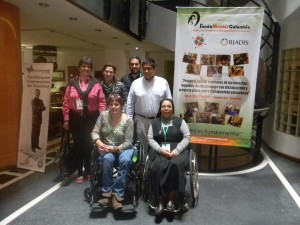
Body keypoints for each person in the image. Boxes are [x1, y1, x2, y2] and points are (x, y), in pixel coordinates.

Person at [62, 57, 106, 184]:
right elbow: (65, 103)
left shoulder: (96, 84)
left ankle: (88, 170)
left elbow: (102, 103)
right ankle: (79, 172)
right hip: (76, 118)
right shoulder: (71, 83)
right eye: (84, 66)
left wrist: (102, 120)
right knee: (78, 146)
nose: (86, 68)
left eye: (88, 66)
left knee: (88, 145)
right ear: (79, 67)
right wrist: (66, 120)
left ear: (91, 69)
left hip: (91, 118)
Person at [148, 98, 191, 215]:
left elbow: (187, 137)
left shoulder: (180, 122)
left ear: (172, 108)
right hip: (160, 150)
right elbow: (150, 139)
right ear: (160, 108)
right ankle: (160, 200)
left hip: (178, 150)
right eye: (163, 106)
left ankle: (172, 199)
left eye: (168, 106)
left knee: (175, 164)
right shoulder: (154, 123)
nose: (166, 108)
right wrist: (160, 150)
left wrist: (177, 151)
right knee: (156, 166)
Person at [91, 94, 134, 210]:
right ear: (108, 106)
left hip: (124, 148)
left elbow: (129, 141)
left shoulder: (128, 119)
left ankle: (118, 195)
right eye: (111, 104)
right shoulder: (103, 116)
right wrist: (99, 143)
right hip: (107, 147)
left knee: (125, 160)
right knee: (107, 159)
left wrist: (115, 149)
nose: (114, 107)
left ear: (122, 106)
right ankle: (107, 193)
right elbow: (94, 132)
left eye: (116, 104)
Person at [126, 57, 172, 154]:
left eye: (149, 68)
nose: (146, 71)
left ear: (155, 69)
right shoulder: (136, 84)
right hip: (140, 121)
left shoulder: (163, 83)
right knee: (142, 146)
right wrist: (129, 121)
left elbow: (169, 102)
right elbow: (130, 104)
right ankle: (143, 167)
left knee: (158, 145)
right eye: (144, 68)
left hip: (158, 120)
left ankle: (155, 167)